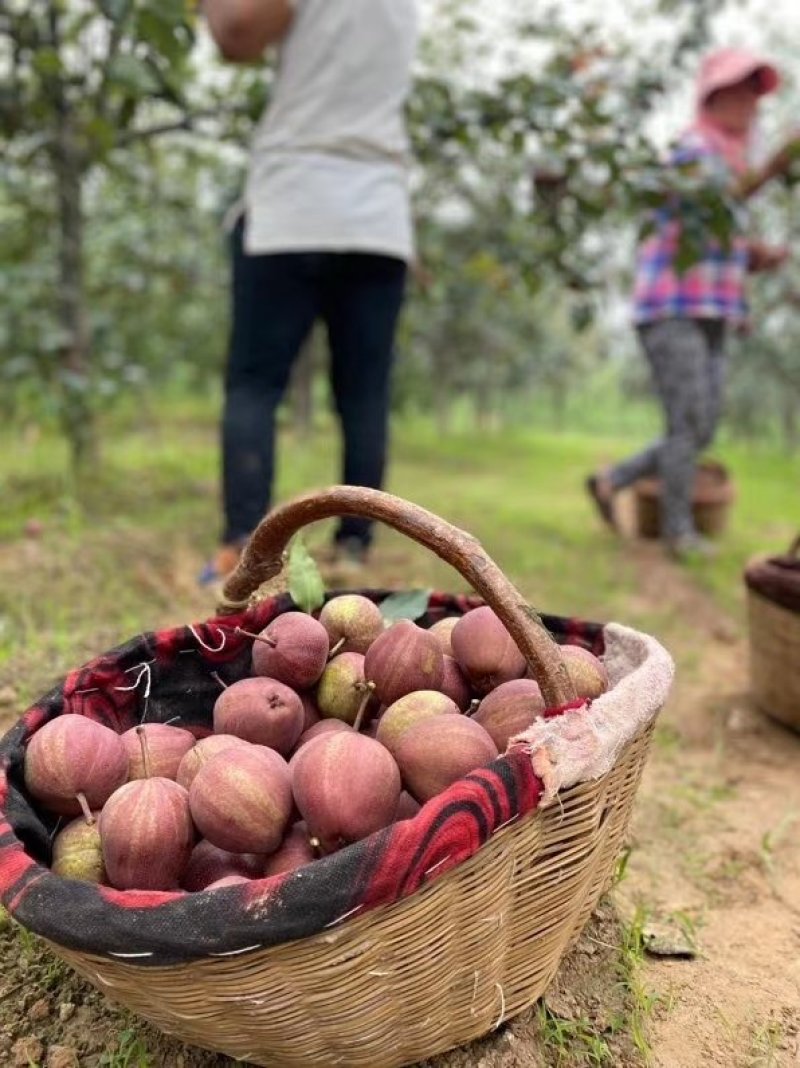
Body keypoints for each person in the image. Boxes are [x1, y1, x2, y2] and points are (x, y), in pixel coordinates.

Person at [200, 0, 418, 584]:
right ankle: (355, 545)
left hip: (294, 199)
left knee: (254, 383)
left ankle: (245, 543)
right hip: (376, 211)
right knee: (364, 394)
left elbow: (237, 31)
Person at [586, 48, 798, 560]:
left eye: (755, 92)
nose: (750, 103)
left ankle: (614, 479)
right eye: (740, 90)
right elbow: (713, 202)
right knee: (688, 423)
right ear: (713, 95)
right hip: (672, 308)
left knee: (701, 425)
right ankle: (677, 532)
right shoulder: (694, 150)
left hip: (713, 310)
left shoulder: (729, 158)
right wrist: (776, 165)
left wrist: (753, 256)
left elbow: (712, 235)